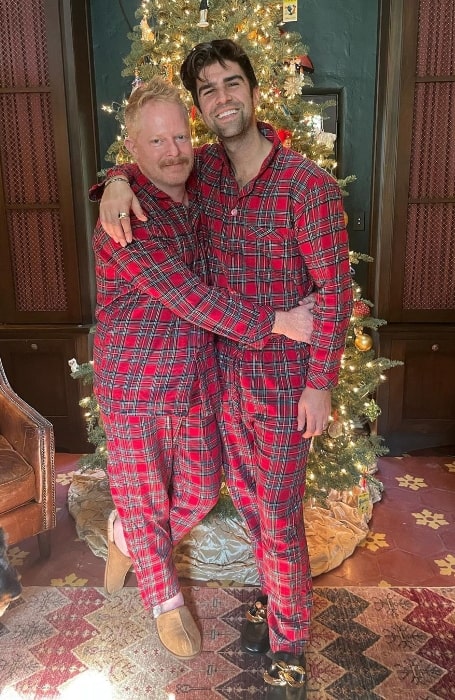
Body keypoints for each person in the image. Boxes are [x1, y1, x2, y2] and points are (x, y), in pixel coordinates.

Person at [96, 40, 353, 699]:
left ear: (254, 90)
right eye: (206, 90)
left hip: (276, 390)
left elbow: (334, 293)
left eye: (231, 82)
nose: (221, 97)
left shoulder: (307, 187)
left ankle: (289, 640)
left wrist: (319, 381)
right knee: (210, 497)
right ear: (200, 106)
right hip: (211, 385)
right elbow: (146, 158)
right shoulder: (201, 170)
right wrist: (113, 181)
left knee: (275, 517)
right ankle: (146, 558)